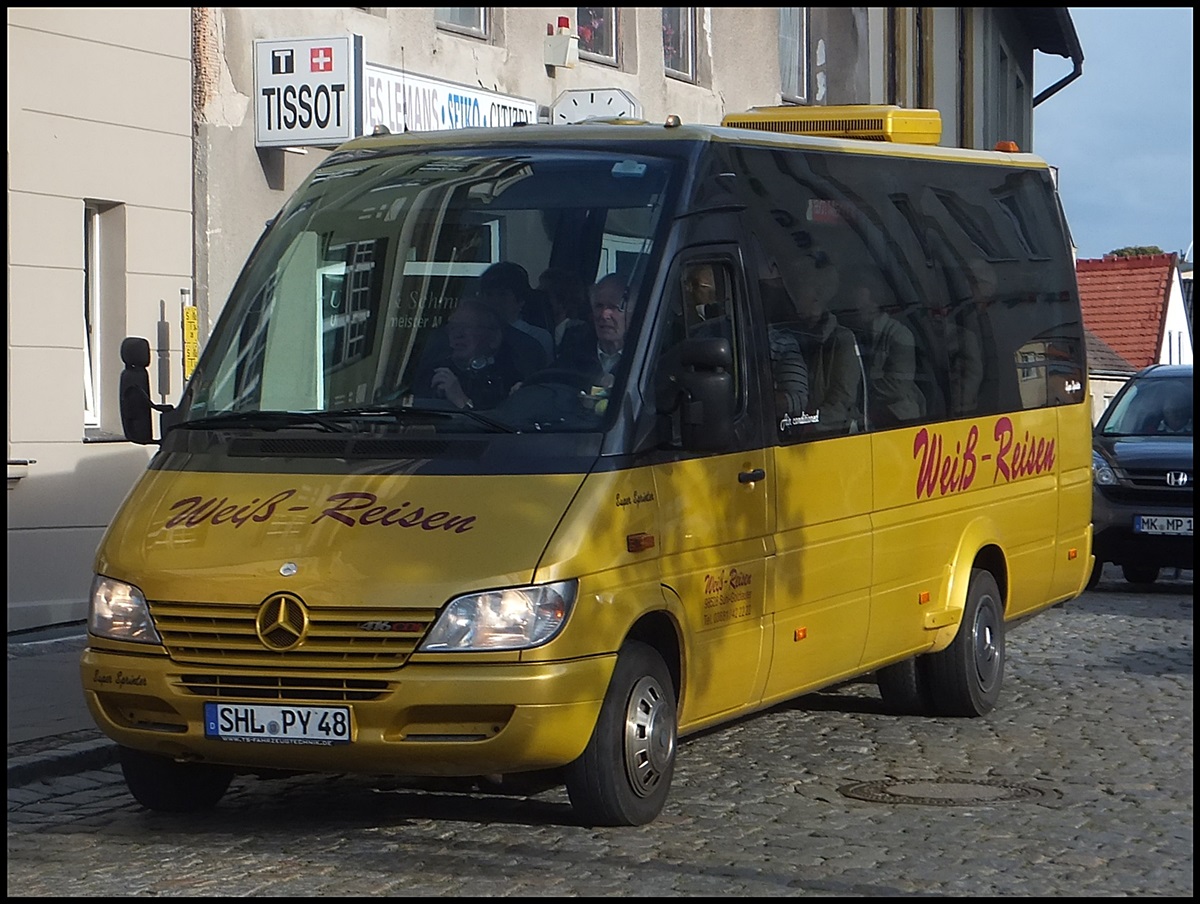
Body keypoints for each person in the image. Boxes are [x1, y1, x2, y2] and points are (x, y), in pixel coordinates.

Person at [839, 275, 924, 427]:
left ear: (876, 303)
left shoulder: (899, 335)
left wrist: (859, 392)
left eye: (861, 303)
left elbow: (897, 387)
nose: (856, 309)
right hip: (863, 416)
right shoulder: (853, 334)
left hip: (899, 418)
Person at [409, 299, 522, 410]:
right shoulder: (430, 373)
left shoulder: (510, 379)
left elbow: (500, 425)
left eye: (468, 327)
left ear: (494, 338)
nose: (458, 334)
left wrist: (462, 401)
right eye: (453, 328)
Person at [552, 273, 630, 391]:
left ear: (634, 311)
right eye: (599, 306)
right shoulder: (574, 352)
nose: (604, 315)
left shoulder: (648, 359)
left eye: (614, 307)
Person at [479, 262, 554, 370]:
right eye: (489, 294)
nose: (494, 301)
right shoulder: (473, 334)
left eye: (502, 294)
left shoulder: (538, 336)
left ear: (520, 300)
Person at [537, 267, 590, 351]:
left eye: (545, 295)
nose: (539, 299)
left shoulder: (581, 333)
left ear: (562, 300)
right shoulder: (536, 333)